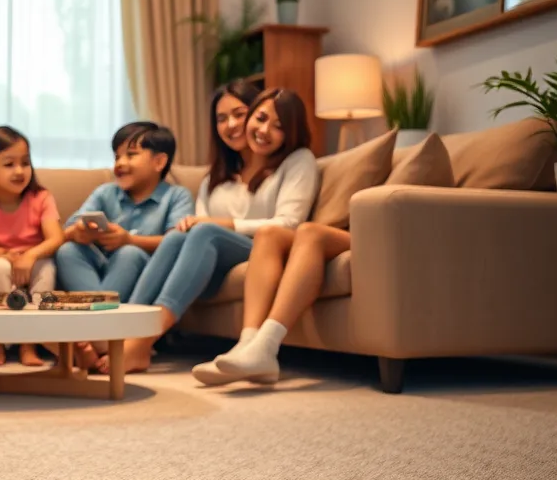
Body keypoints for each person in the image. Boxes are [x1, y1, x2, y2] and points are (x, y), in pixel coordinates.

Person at [114, 84, 320, 376]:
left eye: (239, 114)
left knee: (203, 232)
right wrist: (196, 226)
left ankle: (142, 342)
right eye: (222, 119)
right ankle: (125, 330)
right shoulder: (216, 175)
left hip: (263, 251)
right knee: (177, 236)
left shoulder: (296, 161)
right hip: (209, 260)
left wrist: (219, 224)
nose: (232, 125)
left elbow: (289, 223)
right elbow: (198, 223)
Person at [191, 222, 350, 386]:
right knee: (267, 234)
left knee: (310, 232)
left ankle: (267, 345)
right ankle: (247, 344)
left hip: (366, 233)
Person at [56, 121, 193, 300]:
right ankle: (104, 316)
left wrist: (130, 240)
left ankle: (97, 319)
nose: (120, 163)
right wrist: (79, 232)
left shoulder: (176, 196)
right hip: (99, 265)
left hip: (144, 274)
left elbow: (176, 242)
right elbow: (70, 229)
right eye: (117, 157)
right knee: (67, 251)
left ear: (159, 162)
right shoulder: (106, 192)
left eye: (130, 155)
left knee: (129, 253)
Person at [0, 124, 65, 367]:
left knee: (47, 269)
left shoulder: (41, 198)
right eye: (9, 164)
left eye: (25, 162)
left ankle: (29, 344)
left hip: (34, 259)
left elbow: (55, 238)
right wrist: (2, 254)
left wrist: (29, 256)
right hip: (2, 262)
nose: (20, 171)